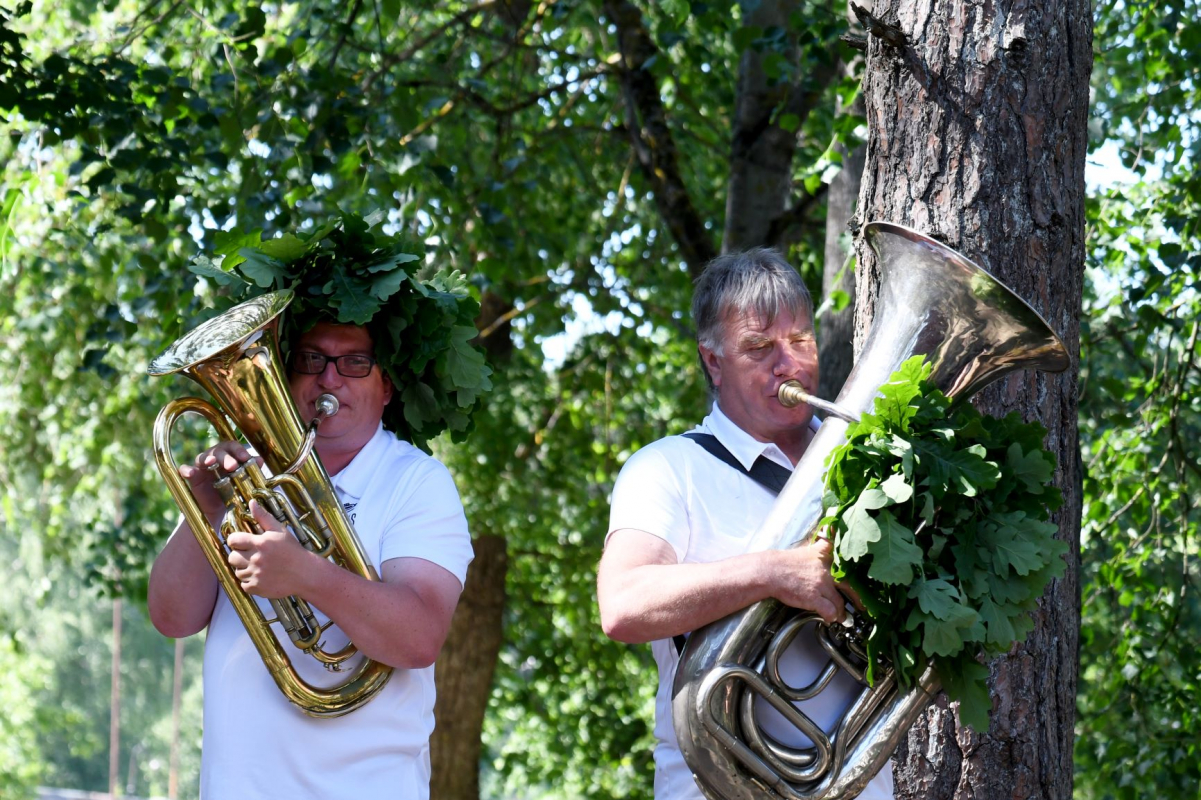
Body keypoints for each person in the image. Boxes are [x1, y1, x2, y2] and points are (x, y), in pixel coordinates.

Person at [597, 248, 893, 800]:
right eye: (758, 348)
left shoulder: (865, 468)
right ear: (713, 361)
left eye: (800, 341)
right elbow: (623, 604)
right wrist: (773, 574)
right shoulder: (668, 468)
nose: (788, 365)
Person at [148, 318, 473, 800]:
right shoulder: (244, 477)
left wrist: (304, 573)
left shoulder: (417, 482)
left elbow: (419, 638)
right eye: (311, 359)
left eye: (355, 362)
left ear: (385, 386)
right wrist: (206, 508)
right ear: (288, 374)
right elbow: (171, 618)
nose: (329, 378)